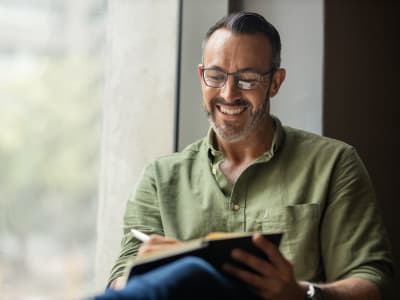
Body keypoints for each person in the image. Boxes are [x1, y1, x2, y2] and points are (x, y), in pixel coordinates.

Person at [96, 11, 394, 300]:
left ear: (275, 82)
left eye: (248, 79)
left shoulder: (334, 164)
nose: (228, 93)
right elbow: (120, 279)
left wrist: (302, 294)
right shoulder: (159, 179)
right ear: (201, 76)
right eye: (216, 76)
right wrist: (146, 271)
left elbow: (374, 282)